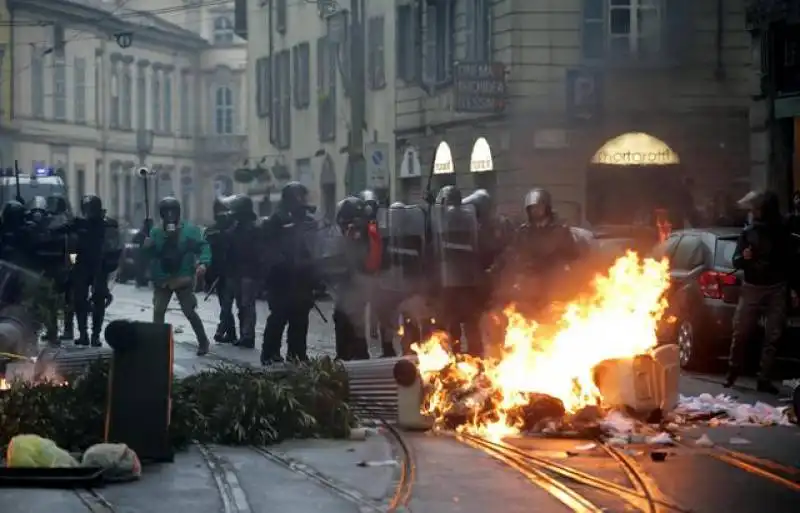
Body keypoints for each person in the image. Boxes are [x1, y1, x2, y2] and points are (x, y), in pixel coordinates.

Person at [725, 190, 796, 394]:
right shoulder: (748, 233)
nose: (752, 212)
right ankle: (733, 370)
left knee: (773, 335)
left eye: (756, 209)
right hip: (752, 286)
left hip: (777, 287)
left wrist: (792, 289)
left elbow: (790, 262)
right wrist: (744, 257)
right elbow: (736, 261)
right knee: (741, 331)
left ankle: (763, 378)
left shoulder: (783, 232)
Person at [493, 188, 579, 316]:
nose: (536, 211)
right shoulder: (524, 231)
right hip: (530, 280)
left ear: (547, 208)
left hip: (553, 278)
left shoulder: (560, 230)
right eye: (532, 208)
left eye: (539, 207)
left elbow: (571, 254)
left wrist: (563, 267)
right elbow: (514, 252)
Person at [142, 197, 211, 356]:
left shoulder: (189, 230)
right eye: (166, 212)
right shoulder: (156, 231)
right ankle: (158, 343)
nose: (170, 215)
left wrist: (203, 263)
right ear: (162, 214)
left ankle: (203, 341)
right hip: (162, 278)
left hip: (183, 276)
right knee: (159, 311)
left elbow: (203, 246)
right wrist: (146, 246)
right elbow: (150, 254)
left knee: (189, 311)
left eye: (173, 211)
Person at [260, 182, 320, 365]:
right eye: (299, 197)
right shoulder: (276, 221)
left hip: (303, 277)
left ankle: (297, 353)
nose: (302, 201)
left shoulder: (308, 221)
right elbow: (266, 248)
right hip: (281, 278)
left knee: (300, 318)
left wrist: (315, 272)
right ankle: (270, 353)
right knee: (278, 317)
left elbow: (315, 246)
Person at [69, 195, 121, 347]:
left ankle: (95, 335)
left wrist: (110, 265)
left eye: (91, 208)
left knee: (98, 301)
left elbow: (114, 246)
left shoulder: (107, 225)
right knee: (80, 301)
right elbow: (72, 246)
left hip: (99, 267)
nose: (89, 212)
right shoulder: (78, 224)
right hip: (82, 266)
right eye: (87, 208)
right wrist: (72, 264)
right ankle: (84, 334)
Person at [332, 196, 372, 360]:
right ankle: (358, 353)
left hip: (353, 282)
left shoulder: (354, 231)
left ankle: (349, 354)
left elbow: (350, 255)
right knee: (354, 320)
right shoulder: (363, 229)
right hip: (355, 282)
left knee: (346, 318)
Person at [225, 194, 262, 349]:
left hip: (249, 272)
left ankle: (248, 336)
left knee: (247, 305)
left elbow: (260, 252)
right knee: (241, 305)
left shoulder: (255, 229)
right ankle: (244, 334)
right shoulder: (234, 229)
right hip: (237, 272)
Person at [205, 196, 236, 343]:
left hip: (230, 270)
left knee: (226, 304)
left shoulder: (232, 228)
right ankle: (231, 333)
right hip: (221, 271)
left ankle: (222, 328)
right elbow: (208, 251)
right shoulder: (214, 230)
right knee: (225, 303)